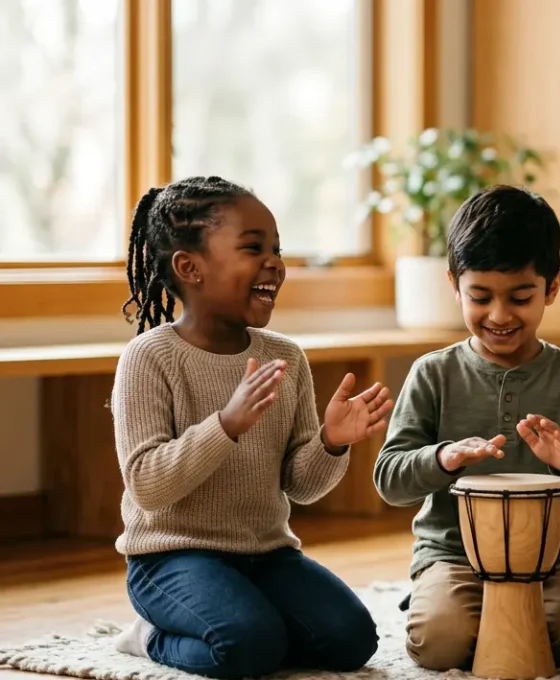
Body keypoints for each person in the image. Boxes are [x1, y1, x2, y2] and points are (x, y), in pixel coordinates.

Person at [108, 176, 392, 679]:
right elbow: (147, 485)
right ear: (189, 267)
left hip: (266, 554)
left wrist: (330, 443)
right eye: (252, 248)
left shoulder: (286, 357)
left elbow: (300, 487)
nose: (274, 263)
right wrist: (226, 425)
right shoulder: (148, 357)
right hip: (169, 559)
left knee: (351, 640)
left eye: (276, 249)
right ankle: (149, 636)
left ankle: (253, 618)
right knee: (247, 645)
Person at [374, 185, 560, 672]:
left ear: (552, 287)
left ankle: (490, 615)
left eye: (520, 297)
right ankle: (436, 597)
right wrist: (443, 458)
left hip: (551, 559)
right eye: (480, 297)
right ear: (454, 285)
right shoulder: (433, 373)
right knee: (440, 645)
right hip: (452, 555)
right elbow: (389, 479)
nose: (498, 315)